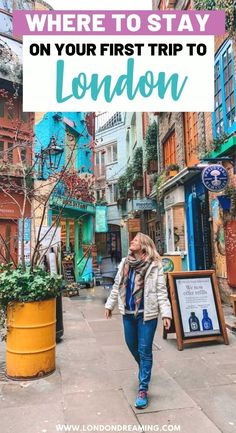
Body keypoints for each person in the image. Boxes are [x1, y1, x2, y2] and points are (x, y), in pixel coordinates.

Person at [105, 232, 172, 409]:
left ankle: (143, 388)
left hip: (146, 314)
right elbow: (117, 286)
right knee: (131, 345)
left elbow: (161, 291)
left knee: (144, 349)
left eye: (135, 240)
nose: (132, 242)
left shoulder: (155, 266)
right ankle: (145, 368)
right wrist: (109, 305)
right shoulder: (125, 263)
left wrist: (166, 314)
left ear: (143, 245)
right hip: (128, 313)